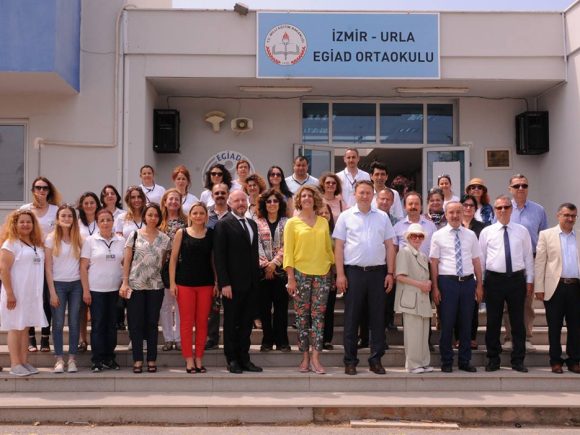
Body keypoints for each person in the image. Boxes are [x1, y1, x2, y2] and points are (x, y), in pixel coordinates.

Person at [334, 180, 396, 376]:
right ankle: (350, 361)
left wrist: (390, 273)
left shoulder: (382, 217)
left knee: (378, 318)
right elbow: (338, 247)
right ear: (355, 194)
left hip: (378, 273)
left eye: (368, 192)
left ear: (373, 195)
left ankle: (376, 360)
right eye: (361, 192)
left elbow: (390, 246)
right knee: (352, 318)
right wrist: (340, 274)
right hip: (354, 273)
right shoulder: (345, 217)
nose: (365, 196)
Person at [479, 195, 533, 373]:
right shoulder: (487, 232)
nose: (503, 210)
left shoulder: (522, 231)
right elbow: (481, 259)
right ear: (494, 210)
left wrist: (529, 280)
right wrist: (480, 283)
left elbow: (528, 257)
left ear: (511, 209)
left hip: (516, 280)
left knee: (517, 322)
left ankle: (518, 360)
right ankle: (493, 359)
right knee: (493, 322)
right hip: (494, 280)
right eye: (499, 207)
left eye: (506, 207)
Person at [284, 185, 334, 375]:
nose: (306, 198)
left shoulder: (323, 222)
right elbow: (288, 252)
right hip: (300, 275)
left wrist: (334, 271)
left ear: (315, 199)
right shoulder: (292, 223)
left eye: (310, 195)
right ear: (299, 199)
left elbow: (328, 249)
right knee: (302, 317)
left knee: (318, 318)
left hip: (322, 274)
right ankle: (305, 357)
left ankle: (316, 358)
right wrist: (290, 278)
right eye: (303, 195)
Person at [430, 202, 483, 373]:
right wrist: (435, 287)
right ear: (445, 214)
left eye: (458, 212)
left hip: (468, 283)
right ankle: (446, 361)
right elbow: (434, 263)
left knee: (466, 323)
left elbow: (476, 261)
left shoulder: (471, 235)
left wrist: (479, 285)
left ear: (463, 213)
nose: (455, 215)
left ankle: (464, 361)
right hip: (447, 283)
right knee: (447, 323)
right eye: (451, 212)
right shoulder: (438, 235)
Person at [214, 189, 262, 374]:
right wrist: (224, 283)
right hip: (232, 285)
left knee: (246, 323)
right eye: (237, 201)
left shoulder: (252, 224)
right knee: (231, 323)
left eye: (243, 200)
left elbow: (253, 253)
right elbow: (219, 256)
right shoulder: (223, 224)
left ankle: (244, 358)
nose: (241, 203)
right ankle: (232, 359)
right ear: (230, 203)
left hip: (251, 284)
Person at [120, 203, 170, 373]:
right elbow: (127, 260)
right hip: (135, 284)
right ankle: (137, 359)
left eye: (156, 215)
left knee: (152, 323)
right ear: (144, 217)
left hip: (156, 286)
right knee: (135, 323)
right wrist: (125, 282)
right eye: (150, 215)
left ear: (159, 218)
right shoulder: (134, 235)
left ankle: (151, 359)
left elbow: (162, 263)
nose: (153, 218)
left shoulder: (165, 239)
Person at [170, 202, 217, 373]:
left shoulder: (211, 234)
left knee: (202, 323)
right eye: (195, 213)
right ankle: (188, 358)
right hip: (184, 284)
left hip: (206, 284)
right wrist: (172, 283)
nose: (198, 216)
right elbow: (173, 259)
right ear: (190, 215)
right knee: (186, 323)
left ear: (206, 216)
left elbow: (213, 260)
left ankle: (199, 358)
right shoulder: (181, 233)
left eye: (201, 213)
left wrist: (217, 282)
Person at [504, 174, 548, 352]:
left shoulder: (539, 210)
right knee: (509, 302)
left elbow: (544, 238)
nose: (520, 188)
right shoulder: (504, 208)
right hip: (509, 261)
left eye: (524, 185)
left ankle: (527, 337)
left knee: (527, 301)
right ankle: (509, 337)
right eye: (516, 186)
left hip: (533, 260)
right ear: (510, 189)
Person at [0, 210, 47, 376]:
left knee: (25, 327)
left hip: (31, 294)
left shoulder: (36, 244)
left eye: (29, 222)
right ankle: (15, 364)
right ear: (15, 224)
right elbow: (4, 269)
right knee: (15, 327)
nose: (26, 225)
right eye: (22, 222)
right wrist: (10, 293)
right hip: (16, 294)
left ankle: (24, 361)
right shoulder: (11, 244)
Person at [535, 203, 580, 374]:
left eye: (573, 216)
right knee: (554, 326)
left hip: (576, 287)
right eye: (567, 215)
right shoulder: (546, 235)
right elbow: (540, 262)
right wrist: (539, 287)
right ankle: (555, 361)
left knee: (575, 327)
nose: (570, 219)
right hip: (555, 287)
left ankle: (574, 360)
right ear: (558, 215)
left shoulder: (578, 236)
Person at [20, 176, 61, 353]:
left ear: (49, 191)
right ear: (33, 190)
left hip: (48, 261)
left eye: (45, 188)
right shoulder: (24, 210)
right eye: (38, 187)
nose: (41, 191)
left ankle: (45, 337)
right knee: (29, 297)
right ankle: (31, 337)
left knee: (46, 299)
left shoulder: (56, 210)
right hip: (28, 261)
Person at [80, 208, 124, 372]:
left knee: (112, 325)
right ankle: (97, 359)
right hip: (96, 290)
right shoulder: (90, 241)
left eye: (108, 220)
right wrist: (86, 291)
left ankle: (109, 357)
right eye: (102, 220)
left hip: (115, 290)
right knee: (98, 325)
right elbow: (83, 267)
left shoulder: (121, 240)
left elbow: (125, 263)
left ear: (113, 222)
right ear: (97, 223)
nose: (105, 223)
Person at [46, 205, 84, 373]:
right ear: (58, 219)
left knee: (75, 322)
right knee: (58, 322)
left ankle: (72, 359)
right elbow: (48, 268)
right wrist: (52, 292)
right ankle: (59, 359)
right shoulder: (50, 239)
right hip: (58, 285)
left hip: (76, 285)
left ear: (74, 219)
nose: (67, 219)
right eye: (63, 216)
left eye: (70, 216)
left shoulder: (80, 239)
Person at [395, 223, 433, 374]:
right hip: (411, 299)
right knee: (413, 334)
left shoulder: (422, 255)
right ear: (408, 237)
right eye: (413, 236)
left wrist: (428, 283)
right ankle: (412, 364)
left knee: (423, 333)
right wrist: (421, 285)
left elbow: (425, 276)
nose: (417, 238)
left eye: (420, 236)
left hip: (422, 298)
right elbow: (400, 276)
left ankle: (423, 362)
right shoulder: (404, 252)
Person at [255, 189, 290, 352]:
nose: (272, 204)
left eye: (275, 201)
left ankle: (282, 340)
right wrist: (266, 265)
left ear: (280, 204)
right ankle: (267, 340)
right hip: (262, 272)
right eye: (268, 201)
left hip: (281, 271)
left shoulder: (287, 222)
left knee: (281, 308)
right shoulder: (256, 222)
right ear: (264, 204)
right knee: (264, 308)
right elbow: (256, 245)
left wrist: (274, 263)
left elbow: (288, 245)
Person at [159, 188, 188, 351]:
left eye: (177, 199)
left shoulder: (187, 221)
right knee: (165, 304)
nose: (173, 202)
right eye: (170, 199)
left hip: (182, 266)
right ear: (165, 201)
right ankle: (168, 338)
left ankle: (178, 338)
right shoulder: (159, 221)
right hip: (163, 267)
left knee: (179, 304)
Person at [204, 183, 231, 350]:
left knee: (230, 305)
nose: (220, 195)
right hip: (209, 264)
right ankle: (212, 337)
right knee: (212, 305)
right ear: (212, 196)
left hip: (230, 265)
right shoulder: (206, 216)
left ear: (228, 194)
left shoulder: (234, 214)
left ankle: (230, 338)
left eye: (223, 193)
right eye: (217, 193)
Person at [459, 194, 486, 350]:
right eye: (465, 205)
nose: (468, 208)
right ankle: (458, 337)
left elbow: (482, 253)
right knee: (457, 308)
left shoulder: (482, 228)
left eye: (471, 205)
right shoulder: (454, 224)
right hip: (456, 271)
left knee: (472, 307)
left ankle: (471, 337)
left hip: (474, 271)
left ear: (475, 209)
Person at [376, 187, 400, 332]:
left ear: (392, 202)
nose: (385, 202)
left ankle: (389, 321)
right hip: (376, 262)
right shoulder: (371, 217)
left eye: (388, 199)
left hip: (392, 262)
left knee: (390, 293)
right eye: (382, 199)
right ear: (377, 200)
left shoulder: (397, 222)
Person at [393, 192, 437, 258]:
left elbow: (436, 249)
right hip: (404, 263)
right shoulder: (397, 227)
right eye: (410, 204)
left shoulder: (431, 226)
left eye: (416, 204)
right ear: (404, 206)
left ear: (421, 206)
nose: (413, 206)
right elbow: (394, 251)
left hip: (426, 263)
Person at [319, 204, 337, 350]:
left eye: (327, 212)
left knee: (329, 308)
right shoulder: (312, 230)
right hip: (314, 274)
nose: (324, 215)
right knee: (316, 310)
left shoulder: (336, 233)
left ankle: (327, 339)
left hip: (330, 275)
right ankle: (316, 338)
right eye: (321, 212)